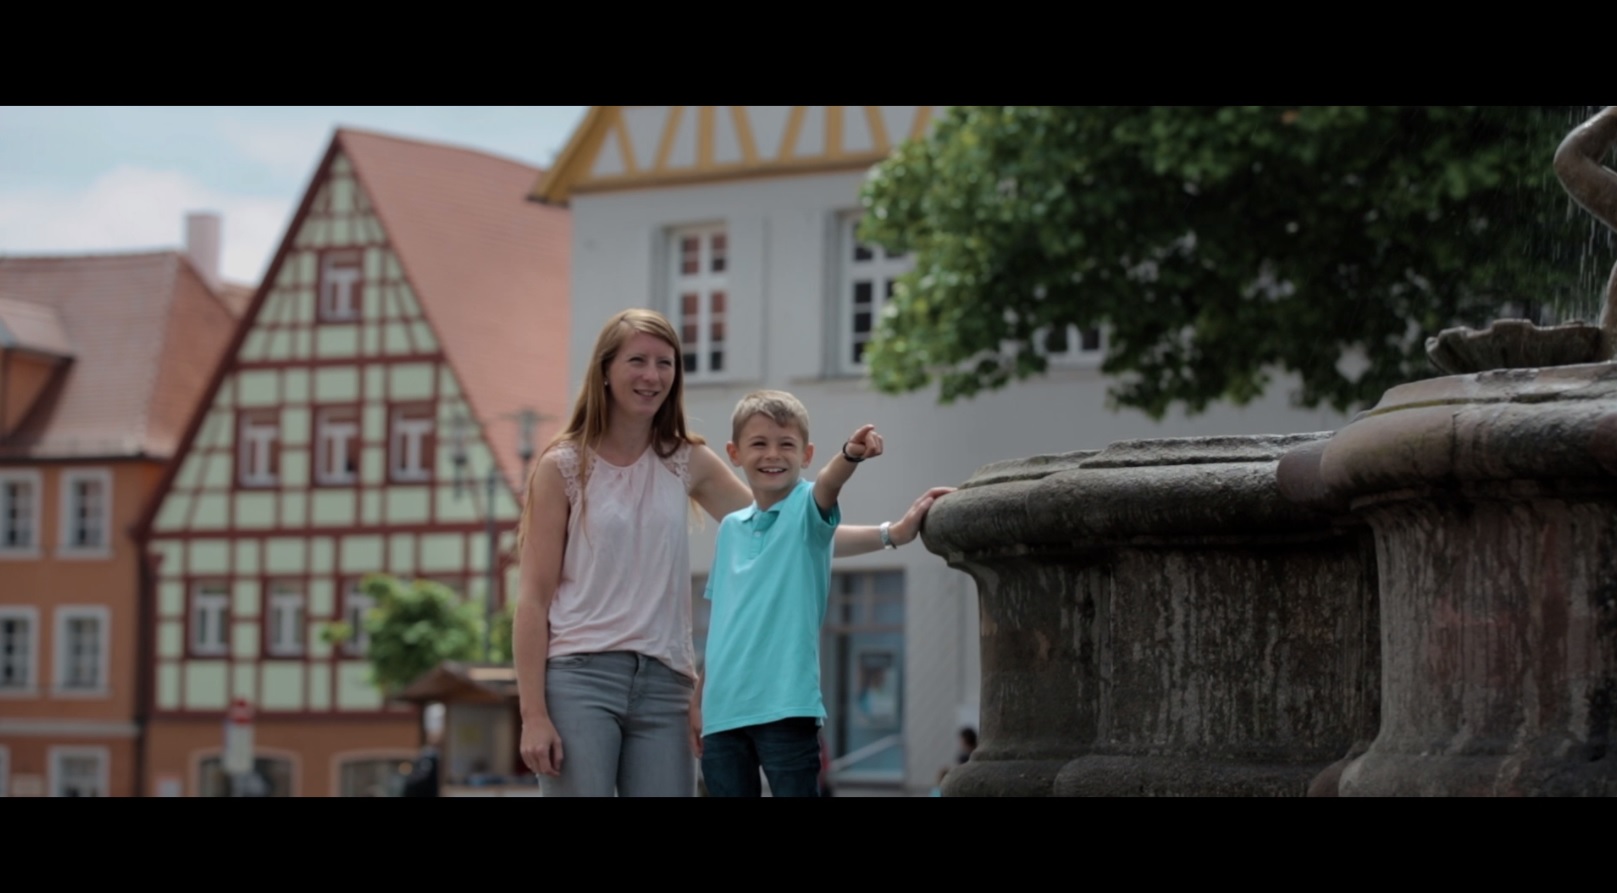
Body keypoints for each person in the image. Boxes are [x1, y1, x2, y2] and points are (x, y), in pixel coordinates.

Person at [514, 309, 951, 797]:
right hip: (581, 678)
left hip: (666, 684)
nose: (652, 376)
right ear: (605, 372)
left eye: (665, 363)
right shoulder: (564, 466)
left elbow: (788, 534)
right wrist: (532, 713)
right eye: (637, 361)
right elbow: (532, 599)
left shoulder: (685, 460)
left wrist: (893, 533)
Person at [694, 390, 882, 797]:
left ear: (807, 454)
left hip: (786, 708)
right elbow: (724, 622)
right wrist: (699, 699)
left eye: (786, 445)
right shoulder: (729, 528)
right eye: (759, 444)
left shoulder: (807, 509)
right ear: (734, 452)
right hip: (722, 714)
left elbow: (829, 485)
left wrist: (850, 455)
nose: (772, 455)